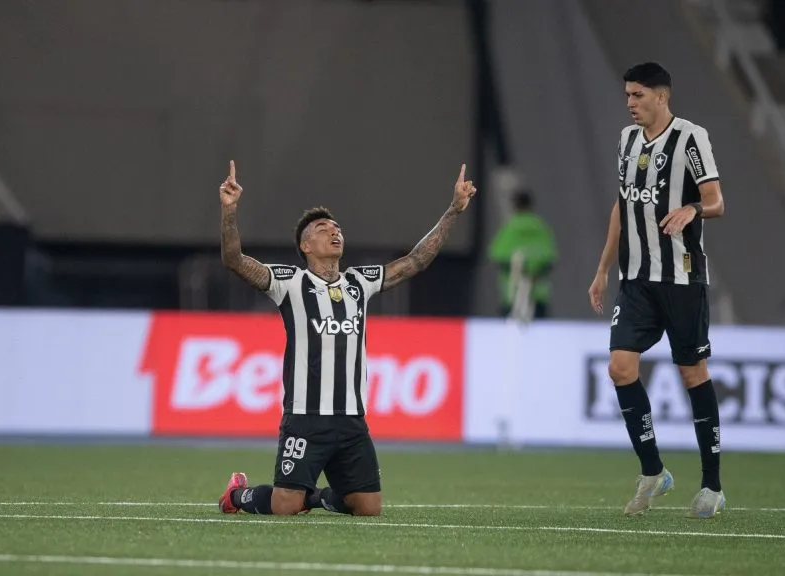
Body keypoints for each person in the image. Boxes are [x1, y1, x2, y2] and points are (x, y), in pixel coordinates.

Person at [216, 160, 476, 516]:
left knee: (368, 509)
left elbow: (415, 261)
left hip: (352, 419)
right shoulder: (289, 283)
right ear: (305, 246)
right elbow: (234, 259)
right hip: (305, 418)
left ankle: (316, 496)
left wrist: (453, 210)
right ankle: (238, 495)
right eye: (323, 228)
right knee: (283, 507)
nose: (334, 231)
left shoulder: (358, 282)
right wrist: (229, 211)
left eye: (337, 227)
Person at [587, 62, 726, 519]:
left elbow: (716, 202)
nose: (630, 103)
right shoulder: (627, 141)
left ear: (661, 97)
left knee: (693, 374)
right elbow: (623, 204)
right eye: (627, 95)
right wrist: (603, 268)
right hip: (637, 280)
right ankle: (653, 472)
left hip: (683, 279)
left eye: (638, 95)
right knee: (620, 367)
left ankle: (712, 486)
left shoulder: (691, 138)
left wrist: (690, 209)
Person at [488, 189, 556, 320]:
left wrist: (520, 265)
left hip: (512, 295)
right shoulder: (541, 228)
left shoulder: (510, 227)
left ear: (514, 205)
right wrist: (533, 269)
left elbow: (497, 255)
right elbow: (551, 257)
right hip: (538, 294)